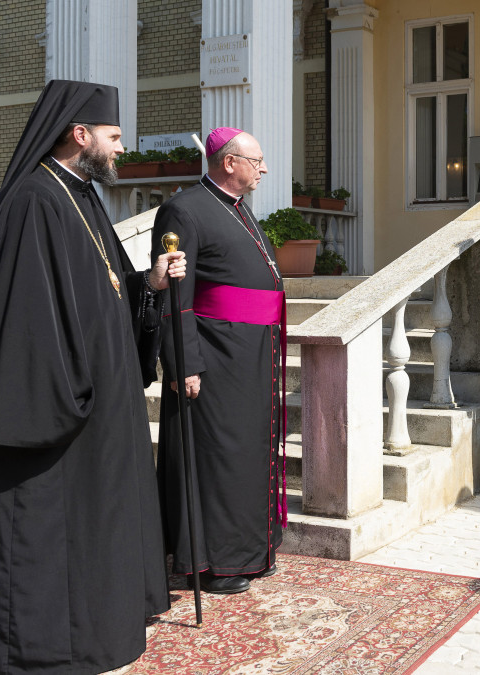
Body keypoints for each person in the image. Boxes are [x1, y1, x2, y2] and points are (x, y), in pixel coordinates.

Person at [0, 79, 185, 673]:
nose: (121, 149)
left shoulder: (83, 197)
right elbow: (27, 325)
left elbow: (109, 289)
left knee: (98, 533)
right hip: (60, 415)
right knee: (48, 541)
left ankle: (96, 631)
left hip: (101, 408)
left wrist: (152, 284)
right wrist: (76, 397)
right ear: (80, 133)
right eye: (114, 137)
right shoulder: (34, 201)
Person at [152, 127, 285, 594]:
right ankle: (214, 564)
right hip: (214, 355)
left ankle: (250, 553)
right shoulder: (184, 209)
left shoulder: (237, 209)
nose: (264, 168)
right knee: (219, 458)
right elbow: (177, 297)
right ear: (230, 162)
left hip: (250, 354)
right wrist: (184, 361)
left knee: (249, 455)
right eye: (258, 160)